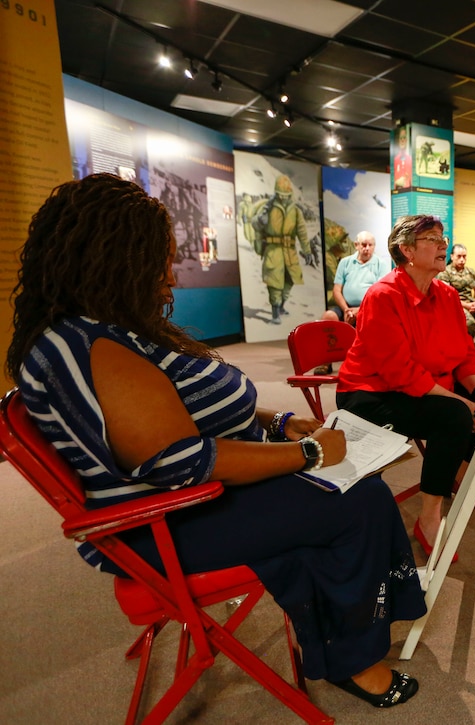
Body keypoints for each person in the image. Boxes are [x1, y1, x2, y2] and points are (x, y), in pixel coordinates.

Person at [8, 174, 425, 708]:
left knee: (338, 492)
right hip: (161, 523)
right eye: (159, 257)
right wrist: (310, 453)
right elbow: (181, 462)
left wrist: (275, 424)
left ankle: (338, 633)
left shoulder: (93, 331)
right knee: (358, 499)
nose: (169, 273)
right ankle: (355, 660)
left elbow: (183, 414)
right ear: (116, 258)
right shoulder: (97, 349)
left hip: (175, 506)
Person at [335, 215, 475, 560]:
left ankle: (459, 475)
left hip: (425, 387)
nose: (443, 244)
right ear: (406, 250)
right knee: (455, 415)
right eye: (432, 238)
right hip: (371, 393)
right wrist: (461, 402)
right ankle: (429, 519)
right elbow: (399, 373)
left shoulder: (448, 295)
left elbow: (464, 358)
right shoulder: (382, 296)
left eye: (443, 237)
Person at [256, 175, 310, 325]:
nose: (283, 198)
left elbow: (302, 231)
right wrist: (260, 221)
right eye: (280, 194)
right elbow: (256, 224)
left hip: (290, 251)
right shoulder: (267, 207)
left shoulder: (295, 211)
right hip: (273, 250)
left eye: (286, 195)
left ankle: (281, 306)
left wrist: (307, 251)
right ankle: (275, 312)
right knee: (274, 282)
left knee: (290, 279)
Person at [437, 243, 475, 348]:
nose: (462, 259)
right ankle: (464, 350)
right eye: (459, 256)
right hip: (454, 305)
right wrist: (467, 305)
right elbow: (447, 296)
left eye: (464, 256)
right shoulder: (445, 272)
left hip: (472, 304)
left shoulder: (470, 272)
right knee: (469, 323)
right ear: (452, 257)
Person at [323, 231, 392, 325]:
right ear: (356, 245)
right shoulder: (345, 262)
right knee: (329, 316)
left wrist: (360, 310)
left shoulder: (381, 264)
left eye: (370, 245)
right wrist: (346, 310)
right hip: (346, 307)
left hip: (371, 308)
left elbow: (382, 295)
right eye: (364, 245)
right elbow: (337, 290)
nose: (367, 248)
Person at [393, 126, 412, 190]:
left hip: (407, 191)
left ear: (406, 140)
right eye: (401, 138)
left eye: (404, 138)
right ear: (398, 141)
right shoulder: (395, 159)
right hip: (397, 191)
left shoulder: (410, 159)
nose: (402, 140)